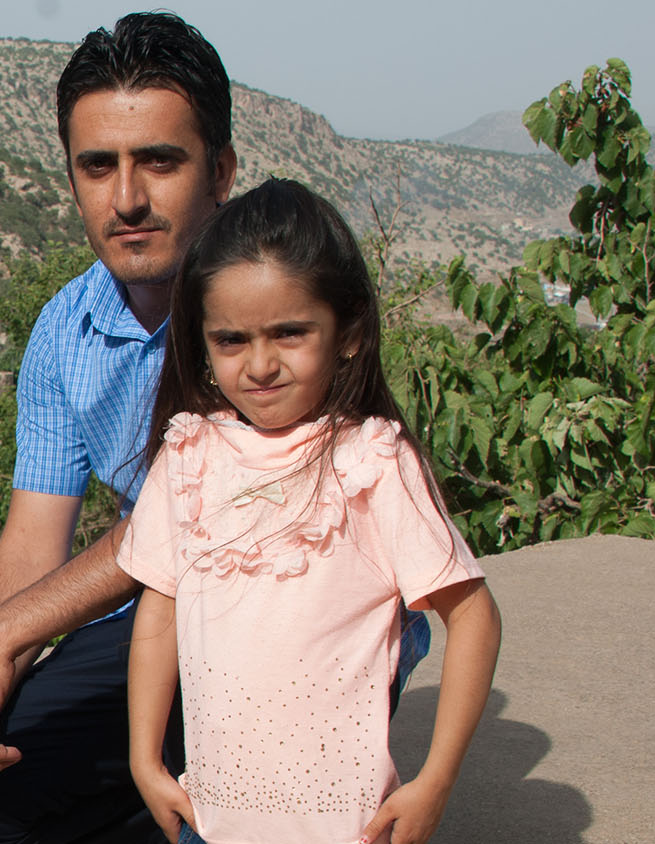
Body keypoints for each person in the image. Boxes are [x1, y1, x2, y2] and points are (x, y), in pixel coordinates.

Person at [0, 13, 239, 843]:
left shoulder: (265, 310)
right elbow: (34, 533)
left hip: (290, 609)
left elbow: (188, 520)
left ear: (221, 172)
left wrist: (6, 634)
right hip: (153, 612)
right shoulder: (69, 326)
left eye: (159, 162)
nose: (127, 198)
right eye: (99, 167)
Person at [119, 178, 501, 844]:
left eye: (290, 333)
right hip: (208, 823)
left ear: (348, 332)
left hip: (345, 828)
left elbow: (472, 617)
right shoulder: (189, 455)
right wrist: (145, 759)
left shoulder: (371, 463)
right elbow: (159, 612)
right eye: (232, 340)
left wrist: (434, 782)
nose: (261, 364)